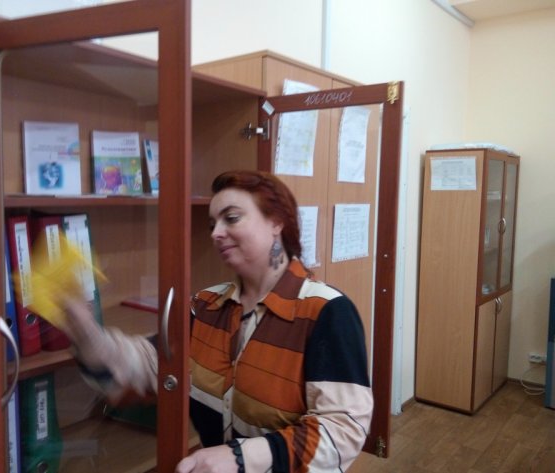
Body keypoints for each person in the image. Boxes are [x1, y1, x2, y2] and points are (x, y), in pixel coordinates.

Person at [61, 170, 373, 472]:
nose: (215, 233)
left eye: (231, 218)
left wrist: (242, 458)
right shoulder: (206, 305)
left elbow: (343, 431)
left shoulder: (327, 311)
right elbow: (150, 365)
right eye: (213, 224)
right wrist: (87, 333)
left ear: (276, 222)